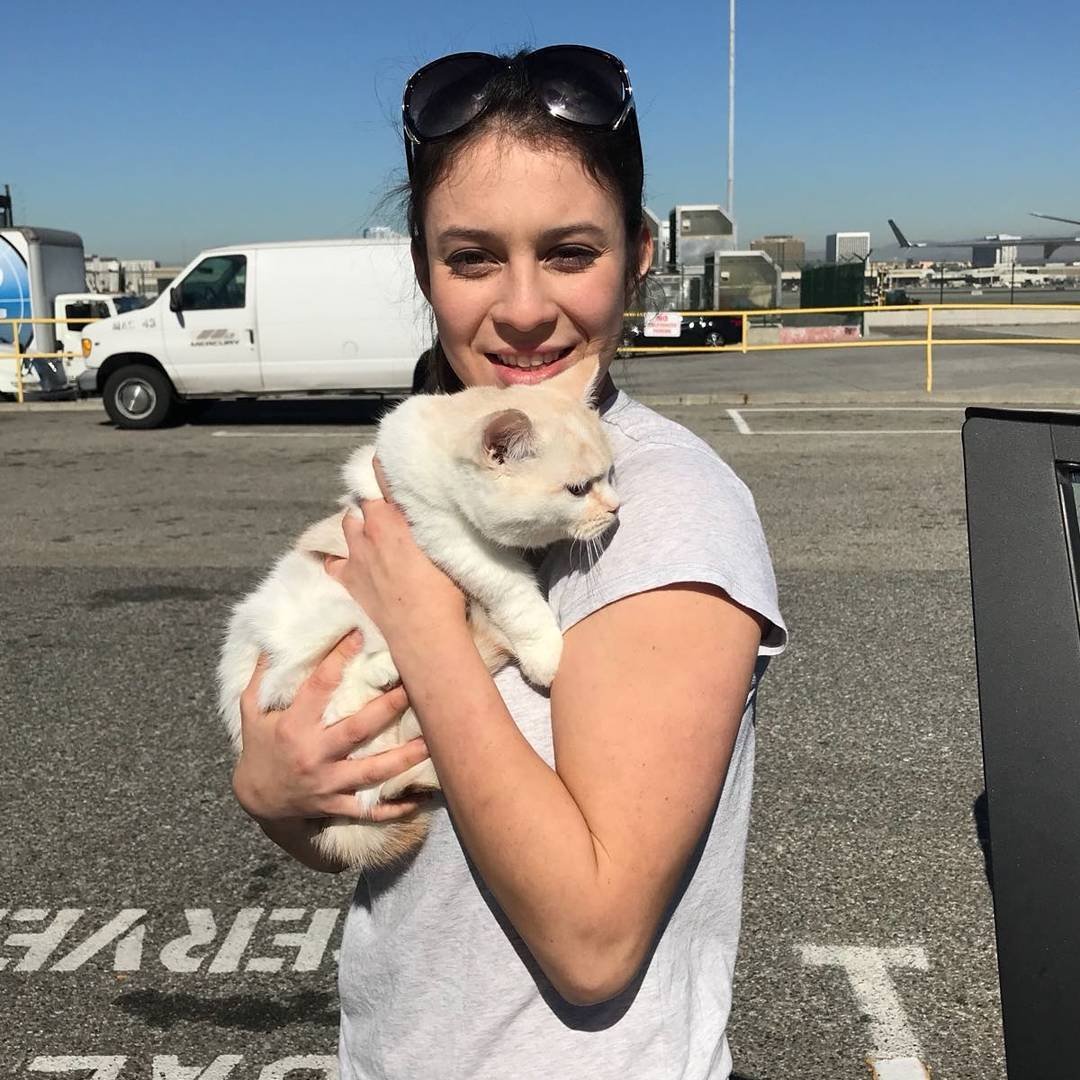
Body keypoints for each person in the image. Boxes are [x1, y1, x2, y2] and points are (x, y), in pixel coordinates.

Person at [232, 45, 787, 1079]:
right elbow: (375, 808)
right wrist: (277, 795)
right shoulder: (451, 461)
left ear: (639, 251)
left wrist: (429, 630)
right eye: (473, 257)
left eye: (570, 252)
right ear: (421, 268)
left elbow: (593, 939)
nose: (523, 307)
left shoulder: (669, 511)